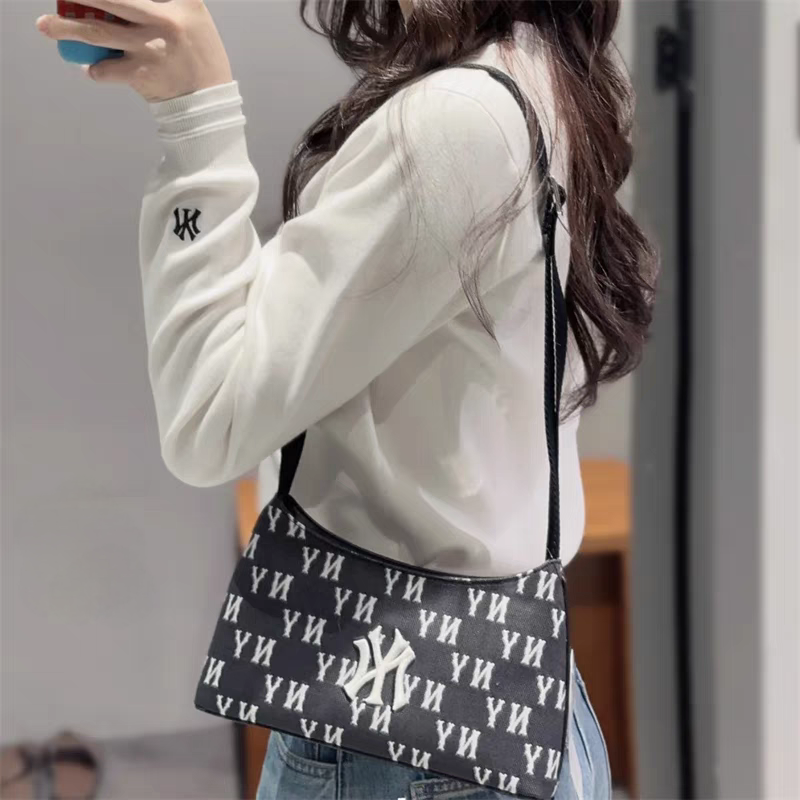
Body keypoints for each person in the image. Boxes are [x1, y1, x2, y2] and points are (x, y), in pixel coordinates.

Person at [36, 1, 657, 797]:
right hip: (477, 703)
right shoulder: (530, 72)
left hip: (400, 732)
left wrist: (197, 120)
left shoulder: (456, 118)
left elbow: (209, 419)